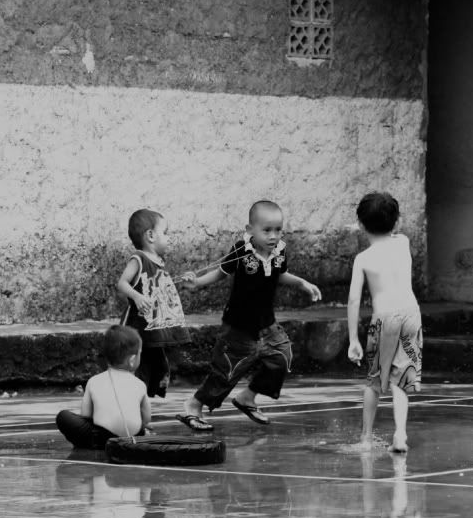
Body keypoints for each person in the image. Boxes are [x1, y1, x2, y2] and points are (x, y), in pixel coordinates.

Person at [177, 200, 322, 430]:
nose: (273, 236)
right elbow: (220, 273)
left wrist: (302, 283)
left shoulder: (280, 251)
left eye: (277, 229)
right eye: (266, 230)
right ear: (249, 230)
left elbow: (279, 275)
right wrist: (196, 283)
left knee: (281, 357)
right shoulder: (242, 251)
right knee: (227, 371)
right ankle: (194, 405)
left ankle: (247, 397)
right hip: (238, 326)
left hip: (266, 323)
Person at [346, 192, 423, 453]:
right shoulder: (403, 242)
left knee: (375, 381)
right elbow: (395, 232)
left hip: (385, 319)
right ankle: (400, 434)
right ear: (396, 222)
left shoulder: (363, 259)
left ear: (360, 224)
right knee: (401, 379)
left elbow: (354, 301)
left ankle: (366, 437)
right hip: (412, 314)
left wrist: (354, 340)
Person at [116, 209, 191, 398]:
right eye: (165, 233)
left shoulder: (159, 262)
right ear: (150, 236)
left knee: (157, 368)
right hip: (137, 329)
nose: (169, 238)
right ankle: (133, 407)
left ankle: (144, 404)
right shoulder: (138, 259)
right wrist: (137, 297)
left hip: (153, 330)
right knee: (137, 369)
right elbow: (122, 283)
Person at [56, 325, 153, 449]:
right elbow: (146, 418)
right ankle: (141, 434)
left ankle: (93, 444)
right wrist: (140, 425)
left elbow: (86, 415)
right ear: (132, 360)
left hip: (100, 438)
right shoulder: (139, 384)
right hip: (130, 436)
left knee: (63, 416)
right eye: (140, 353)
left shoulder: (94, 381)